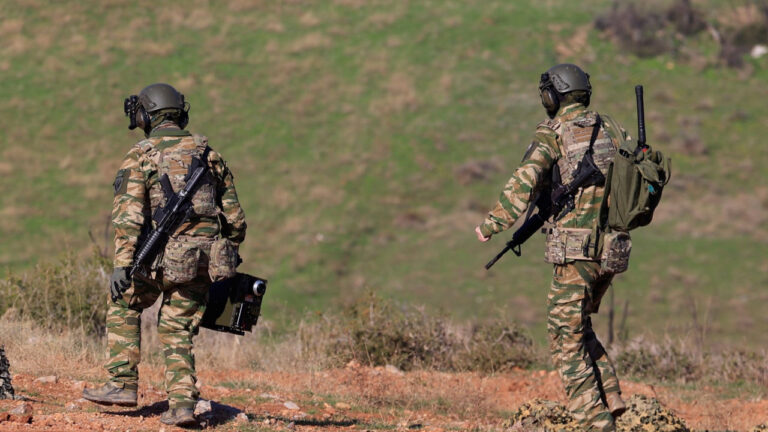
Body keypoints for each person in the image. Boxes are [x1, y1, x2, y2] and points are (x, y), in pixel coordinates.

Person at [475, 64, 629, 431]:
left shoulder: (554, 133)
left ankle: (595, 423)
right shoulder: (612, 128)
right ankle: (611, 395)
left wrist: (492, 224)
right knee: (578, 323)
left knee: (564, 339)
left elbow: (523, 182)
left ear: (552, 96)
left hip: (576, 252)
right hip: (612, 251)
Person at [83, 83, 247, 427]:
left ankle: (121, 383)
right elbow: (235, 220)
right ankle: (183, 406)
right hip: (204, 262)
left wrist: (122, 265)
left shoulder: (141, 154)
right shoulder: (209, 155)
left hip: (158, 260)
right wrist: (227, 252)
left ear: (146, 115)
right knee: (177, 329)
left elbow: (128, 218)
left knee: (124, 300)